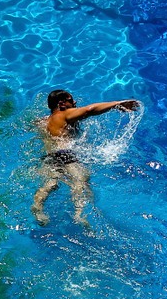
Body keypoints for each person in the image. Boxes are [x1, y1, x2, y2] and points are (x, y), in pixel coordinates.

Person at [31, 89, 139, 228]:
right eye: (71, 100)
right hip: (65, 155)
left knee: (50, 184)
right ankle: (79, 214)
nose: (75, 102)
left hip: (48, 157)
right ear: (61, 103)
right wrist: (117, 104)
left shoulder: (43, 121)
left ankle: (37, 206)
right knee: (81, 181)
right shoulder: (64, 114)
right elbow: (89, 110)